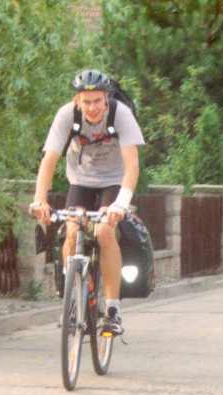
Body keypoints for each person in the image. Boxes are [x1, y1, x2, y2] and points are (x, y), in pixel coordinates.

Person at [30, 69, 145, 335]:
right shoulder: (66, 115)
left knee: (104, 231)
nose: (92, 107)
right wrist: (39, 200)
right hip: (80, 181)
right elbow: (48, 161)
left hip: (114, 181)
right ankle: (73, 300)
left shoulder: (121, 115)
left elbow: (133, 166)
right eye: (86, 101)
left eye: (97, 101)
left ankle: (113, 310)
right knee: (72, 230)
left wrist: (120, 204)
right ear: (77, 100)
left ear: (106, 99)